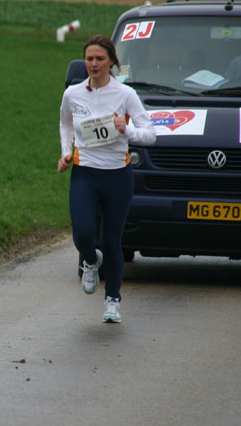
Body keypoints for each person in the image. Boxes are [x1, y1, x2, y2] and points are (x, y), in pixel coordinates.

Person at [57, 35, 156, 323]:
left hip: (117, 176)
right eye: (89, 59)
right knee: (83, 233)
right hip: (85, 173)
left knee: (112, 241)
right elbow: (65, 122)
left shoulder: (125, 94)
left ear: (111, 61)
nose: (94, 64)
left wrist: (126, 130)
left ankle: (113, 299)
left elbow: (150, 135)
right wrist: (66, 152)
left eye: (100, 59)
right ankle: (90, 260)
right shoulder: (73, 94)